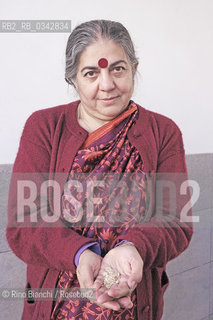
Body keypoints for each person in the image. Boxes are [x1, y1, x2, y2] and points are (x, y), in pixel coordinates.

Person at [6, 19, 193, 320]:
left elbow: (176, 222)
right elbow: (24, 225)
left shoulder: (163, 133)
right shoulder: (44, 128)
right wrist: (80, 254)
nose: (106, 85)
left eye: (118, 68)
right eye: (91, 73)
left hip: (133, 303)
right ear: (73, 78)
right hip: (55, 308)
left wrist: (133, 247)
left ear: (134, 67)